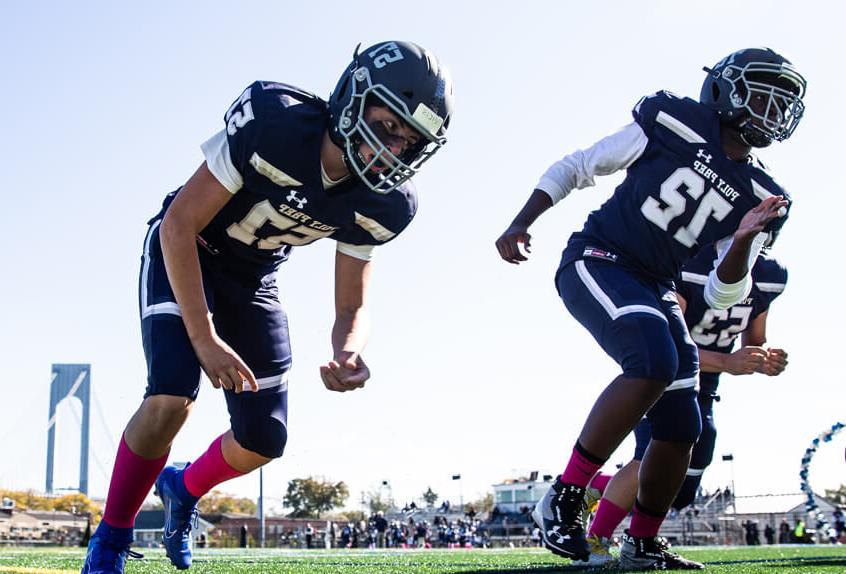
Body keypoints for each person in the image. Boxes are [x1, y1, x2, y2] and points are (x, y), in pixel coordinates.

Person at [81, 40, 454, 574]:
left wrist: (347, 352)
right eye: (389, 124)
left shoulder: (386, 202)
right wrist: (204, 336)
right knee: (171, 399)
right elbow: (180, 224)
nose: (394, 147)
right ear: (353, 98)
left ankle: (182, 489)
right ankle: (110, 541)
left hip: (254, 276)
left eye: (409, 141)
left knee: (263, 439)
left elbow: (352, 306)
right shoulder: (276, 126)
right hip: (189, 249)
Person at [496, 47, 805, 570]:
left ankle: (642, 539)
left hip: (656, 284)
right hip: (600, 258)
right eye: (764, 98)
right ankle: (566, 496)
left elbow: (727, 293)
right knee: (654, 362)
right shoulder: (672, 122)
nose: (772, 114)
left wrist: (741, 242)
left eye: (782, 106)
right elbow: (580, 165)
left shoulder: (763, 195)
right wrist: (523, 219)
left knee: (685, 425)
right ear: (727, 89)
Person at [583, 243, 789, 565]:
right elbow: (668, 339)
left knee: (681, 483)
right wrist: (725, 360)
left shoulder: (771, 273)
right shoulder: (690, 262)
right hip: (666, 373)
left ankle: (602, 488)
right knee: (651, 457)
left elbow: (754, 338)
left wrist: (763, 358)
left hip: (705, 382)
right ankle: (598, 541)